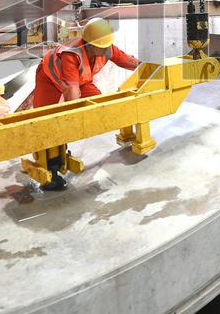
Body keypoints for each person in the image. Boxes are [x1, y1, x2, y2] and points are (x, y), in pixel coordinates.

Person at [31, 17, 140, 190]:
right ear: (88, 43)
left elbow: (126, 60)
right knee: (45, 120)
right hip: (49, 80)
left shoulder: (106, 48)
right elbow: (72, 93)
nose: (105, 50)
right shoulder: (71, 55)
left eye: (107, 46)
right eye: (101, 47)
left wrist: (151, 67)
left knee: (98, 106)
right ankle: (50, 167)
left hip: (81, 80)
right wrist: (74, 120)